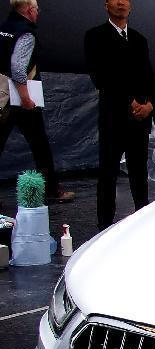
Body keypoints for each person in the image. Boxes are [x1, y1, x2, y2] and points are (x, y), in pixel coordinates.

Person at [84, 0, 154, 231]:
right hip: (113, 117)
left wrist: (149, 105)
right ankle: (104, 226)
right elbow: (101, 77)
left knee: (139, 174)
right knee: (108, 174)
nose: (121, 3)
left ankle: (143, 220)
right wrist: (130, 102)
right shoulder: (95, 36)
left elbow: (148, 76)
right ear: (106, 5)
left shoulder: (139, 39)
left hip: (139, 119)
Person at [0, 0, 74, 203]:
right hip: (18, 99)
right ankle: (51, 190)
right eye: (37, 10)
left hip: (1, 97)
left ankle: (51, 188)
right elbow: (17, 68)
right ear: (30, 11)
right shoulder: (26, 33)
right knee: (40, 146)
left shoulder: (4, 28)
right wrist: (25, 98)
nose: (38, 14)